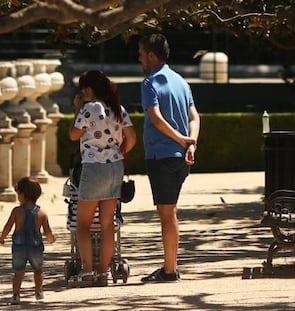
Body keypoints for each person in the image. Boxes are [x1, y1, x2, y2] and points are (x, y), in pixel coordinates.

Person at [138, 33, 200, 282]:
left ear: (151, 55)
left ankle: (169, 269)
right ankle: (170, 266)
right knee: (170, 211)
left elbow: (156, 118)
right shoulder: (181, 81)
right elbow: (195, 117)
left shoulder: (149, 82)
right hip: (181, 156)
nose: (139, 58)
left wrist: (182, 140)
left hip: (161, 155)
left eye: (141, 53)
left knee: (167, 213)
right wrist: (190, 142)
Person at [69, 70, 136, 286]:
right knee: (108, 225)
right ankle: (102, 273)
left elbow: (73, 135)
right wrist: (118, 152)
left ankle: (87, 271)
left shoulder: (89, 108)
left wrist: (77, 109)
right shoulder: (118, 109)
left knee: (83, 224)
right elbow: (132, 138)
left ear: (88, 90)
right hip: (115, 168)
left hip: (94, 167)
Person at [0, 177, 56, 305]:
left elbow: (8, 227)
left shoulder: (17, 211)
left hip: (19, 247)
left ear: (22, 194)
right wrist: (51, 239)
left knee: (18, 272)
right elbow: (48, 232)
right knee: (38, 270)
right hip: (36, 248)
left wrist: (2, 238)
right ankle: (39, 292)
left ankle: (15, 295)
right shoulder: (42, 213)